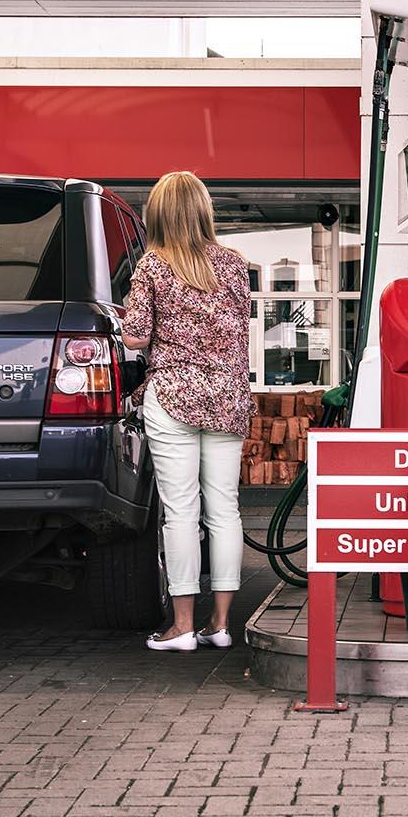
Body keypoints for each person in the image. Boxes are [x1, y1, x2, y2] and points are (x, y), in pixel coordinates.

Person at [120, 171, 253, 651]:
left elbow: (134, 336)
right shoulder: (235, 265)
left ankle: (180, 628)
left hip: (174, 392)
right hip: (228, 397)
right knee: (224, 509)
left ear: (158, 214)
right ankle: (219, 625)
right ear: (203, 211)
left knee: (180, 512)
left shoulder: (153, 266)